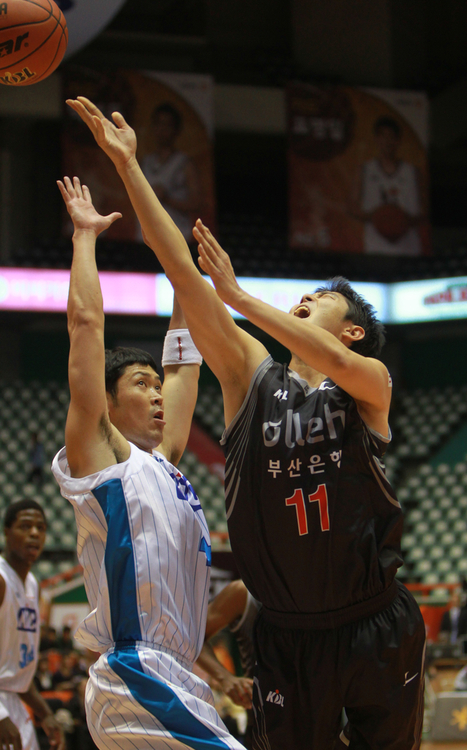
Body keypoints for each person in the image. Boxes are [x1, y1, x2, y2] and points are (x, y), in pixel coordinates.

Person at [66, 96, 426, 750]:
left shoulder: (368, 386)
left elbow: (340, 362)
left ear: (348, 328)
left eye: (316, 300)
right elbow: (180, 267)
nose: (303, 300)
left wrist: (239, 299)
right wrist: (128, 167)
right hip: (284, 631)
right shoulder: (249, 375)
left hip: (374, 620)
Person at [51, 175, 245, 750]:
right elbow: (86, 327)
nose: (159, 392)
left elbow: (186, 366)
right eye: (142, 383)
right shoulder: (103, 458)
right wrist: (85, 237)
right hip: (139, 675)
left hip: (177, 678)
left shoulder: (164, 462)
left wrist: (185, 273)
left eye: (157, 383)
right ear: (108, 404)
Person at [0, 499, 65, 750]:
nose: (34, 533)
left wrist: (45, 713)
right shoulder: (2, 579)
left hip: (15, 704)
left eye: (40, 527)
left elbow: (18, 673)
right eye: (25, 526)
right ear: (6, 532)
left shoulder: (33, 585)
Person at [350, 115, 427, 256]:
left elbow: (426, 210)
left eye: (391, 136)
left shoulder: (413, 172)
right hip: (375, 247)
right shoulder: (365, 169)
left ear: (398, 140)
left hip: (409, 248)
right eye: (383, 136)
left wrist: (402, 220)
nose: (387, 141)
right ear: (376, 139)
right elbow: (352, 207)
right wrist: (380, 217)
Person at [196, 580, 259, 749]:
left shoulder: (325, 590)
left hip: (323, 724)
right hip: (263, 727)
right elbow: (193, 637)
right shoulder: (243, 592)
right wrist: (226, 679)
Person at [140, 102, 201, 243]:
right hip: (146, 239)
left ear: (176, 129)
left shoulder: (184, 164)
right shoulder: (145, 162)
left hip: (177, 238)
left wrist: (166, 199)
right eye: (158, 124)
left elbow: (197, 203)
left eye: (167, 125)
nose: (162, 129)